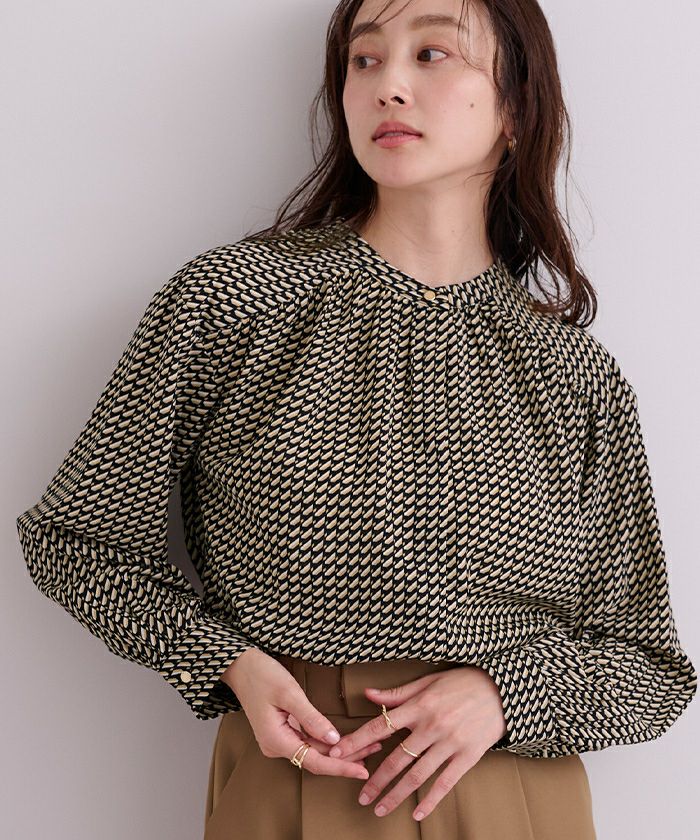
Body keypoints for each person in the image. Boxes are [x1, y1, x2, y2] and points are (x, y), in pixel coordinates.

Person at [16, 0, 697, 837]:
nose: (388, 86)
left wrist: (504, 693)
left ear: (516, 108)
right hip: (297, 768)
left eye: (433, 54)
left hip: (509, 787)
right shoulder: (234, 303)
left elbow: (650, 669)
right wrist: (224, 661)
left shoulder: (575, 376)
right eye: (365, 60)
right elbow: (75, 540)